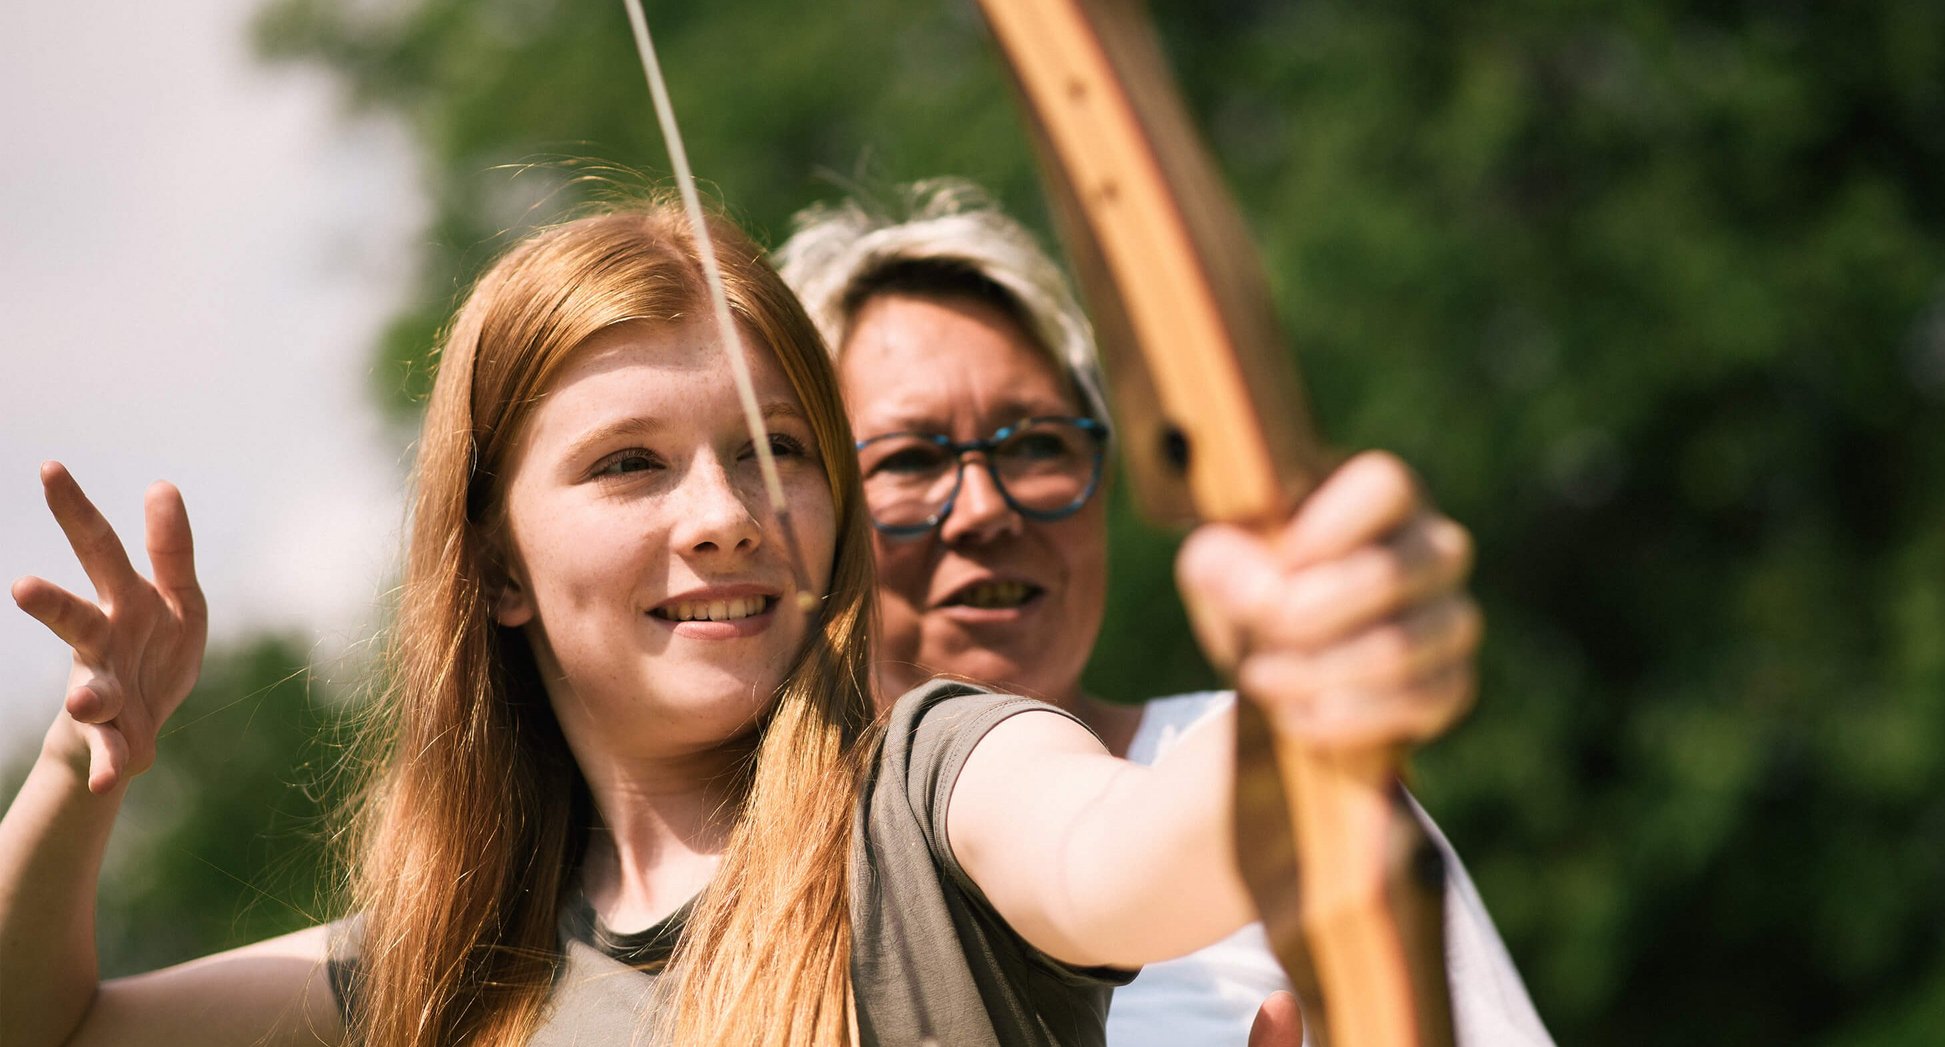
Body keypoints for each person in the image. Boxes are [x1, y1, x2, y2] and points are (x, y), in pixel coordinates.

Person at [1, 196, 1480, 1047]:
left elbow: (1137, 858)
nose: (725, 511)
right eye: (629, 461)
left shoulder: (935, 775)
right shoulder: (452, 953)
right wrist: (80, 768)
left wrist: (1310, 690)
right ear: (498, 566)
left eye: (776, 451)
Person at [776, 179, 1556, 1047]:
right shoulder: (739, 875)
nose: (986, 509)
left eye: (1038, 444)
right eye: (912, 458)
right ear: (805, 507)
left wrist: (1329, 672)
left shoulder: (1262, 760)